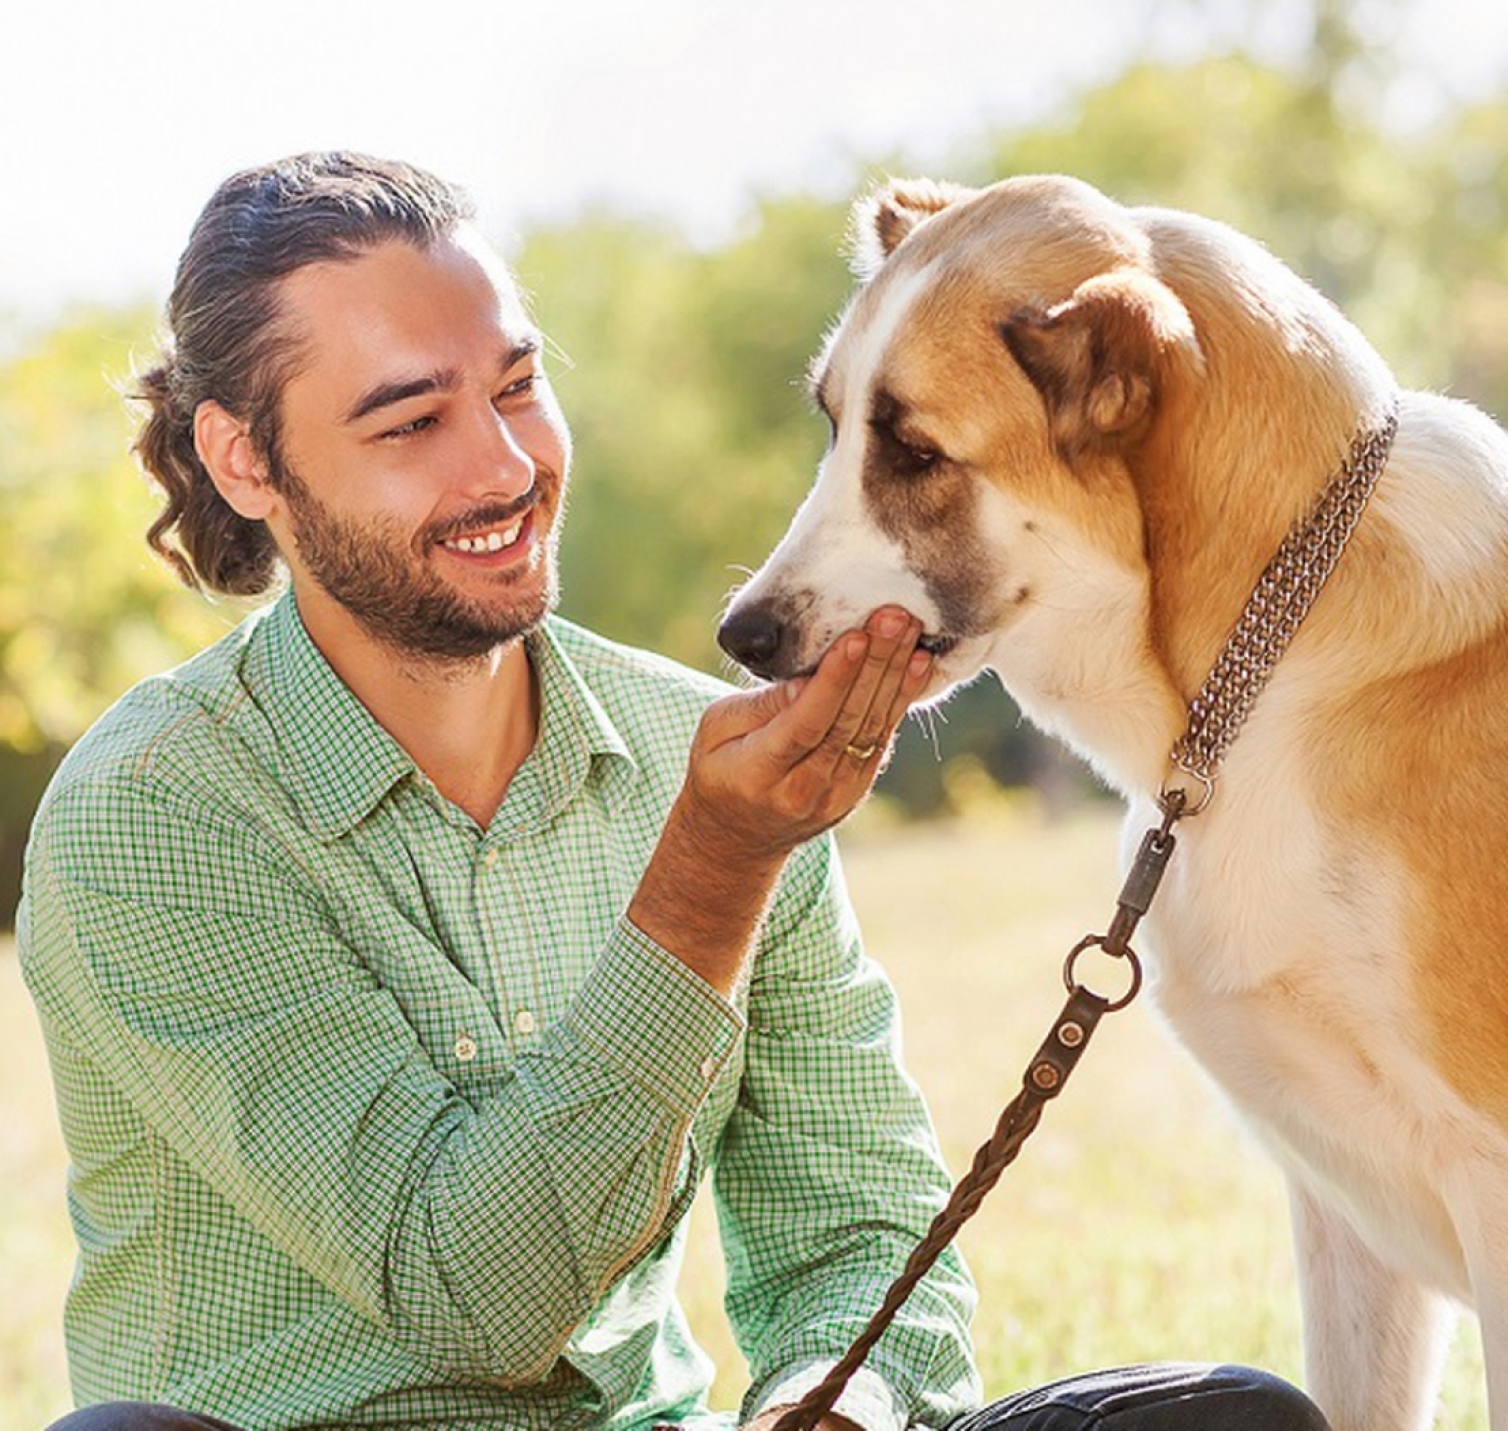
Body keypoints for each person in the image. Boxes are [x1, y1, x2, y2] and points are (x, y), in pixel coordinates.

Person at [18, 152, 1327, 1431]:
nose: (505, 468)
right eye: (412, 420)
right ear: (245, 462)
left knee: (1233, 1423)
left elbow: (855, 1229)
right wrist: (712, 864)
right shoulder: (153, 815)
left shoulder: (692, 747)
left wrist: (836, 1400)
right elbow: (474, 1297)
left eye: (518, 388)